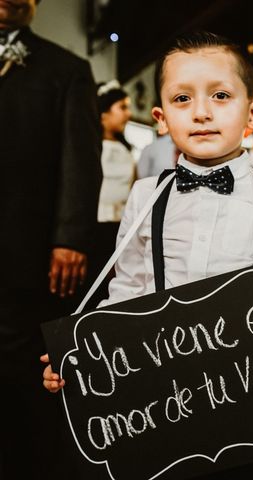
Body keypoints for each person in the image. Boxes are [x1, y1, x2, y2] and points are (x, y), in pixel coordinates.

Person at [42, 31, 253, 479]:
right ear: (162, 119)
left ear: (252, 114)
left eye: (221, 96)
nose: (201, 112)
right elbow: (127, 285)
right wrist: (85, 354)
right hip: (167, 394)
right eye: (183, 99)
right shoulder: (146, 195)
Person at [0, 0, 103, 478]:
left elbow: (80, 162)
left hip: (27, 250)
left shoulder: (67, 69)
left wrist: (71, 238)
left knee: (24, 377)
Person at [88, 80, 136, 307]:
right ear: (103, 113)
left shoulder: (127, 149)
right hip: (94, 226)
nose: (128, 113)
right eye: (122, 107)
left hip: (120, 227)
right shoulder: (89, 147)